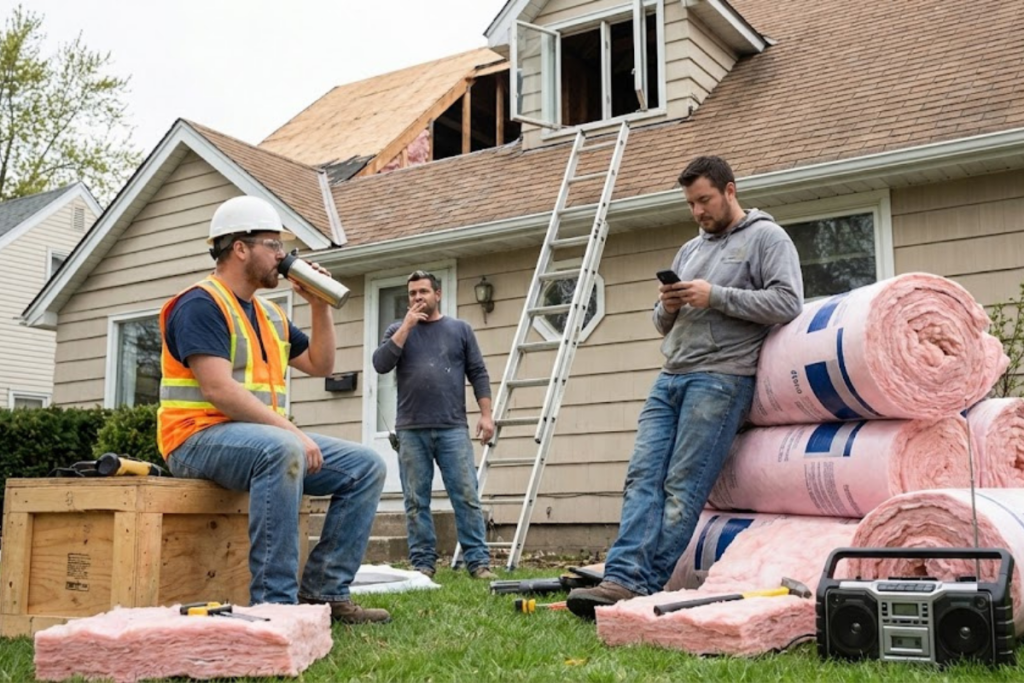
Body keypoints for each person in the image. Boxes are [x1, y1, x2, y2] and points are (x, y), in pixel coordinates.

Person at [567, 156, 804, 619]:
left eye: (704, 200)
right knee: (642, 477)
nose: (697, 211)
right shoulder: (690, 249)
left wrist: (714, 295)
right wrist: (670, 305)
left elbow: (787, 301)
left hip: (721, 378)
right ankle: (621, 576)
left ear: (730, 190)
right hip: (671, 375)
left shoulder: (767, 238)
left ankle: (640, 583)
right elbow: (662, 324)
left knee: (682, 486)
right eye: (691, 203)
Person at [157, 195, 390, 624]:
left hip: (258, 440)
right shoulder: (200, 303)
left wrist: (319, 304)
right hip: (194, 440)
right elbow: (218, 389)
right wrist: (292, 434)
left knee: (366, 466)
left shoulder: (269, 314)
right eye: (273, 245)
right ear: (240, 248)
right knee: (283, 450)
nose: (282, 256)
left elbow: (321, 364)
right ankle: (276, 604)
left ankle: (325, 592)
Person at [372, 270, 497, 580]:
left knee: (466, 496)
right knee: (416, 501)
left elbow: (478, 373)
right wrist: (406, 327)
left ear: (437, 295)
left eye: (423, 292)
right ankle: (423, 565)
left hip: (452, 427)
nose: (417, 297)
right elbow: (381, 364)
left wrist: (486, 415)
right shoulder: (397, 330)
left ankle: (478, 563)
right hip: (411, 429)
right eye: (412, 293)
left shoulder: (460, 330)